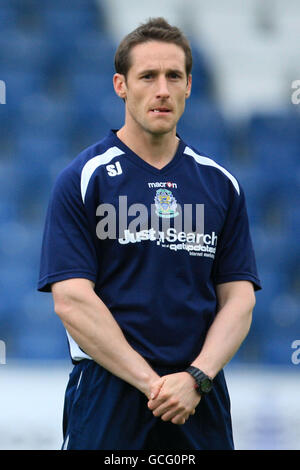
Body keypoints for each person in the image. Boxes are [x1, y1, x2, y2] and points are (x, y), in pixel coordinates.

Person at [38, 17, 261, 450]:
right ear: (121, 85)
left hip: (198, 396)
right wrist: (154, 385)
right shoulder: (83, 178)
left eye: (173, 76)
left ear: (189, 86)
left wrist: (196, 379)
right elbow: (71, 300)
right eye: (148, 76)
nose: (162, 89)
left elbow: (239, 299)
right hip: (109, 393)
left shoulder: (220, 184)